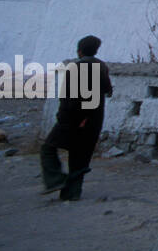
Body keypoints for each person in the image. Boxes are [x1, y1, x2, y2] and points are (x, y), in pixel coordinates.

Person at [40, 35, 113, 201]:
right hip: (94, 121)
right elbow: (108, 90)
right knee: (79, 157)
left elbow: (69, 98)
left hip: (73, 119)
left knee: (48, 148)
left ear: (79, 51)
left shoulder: (76, 68)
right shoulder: (101, 66)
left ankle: (56, 180)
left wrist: (63, 117)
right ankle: (71, 194)